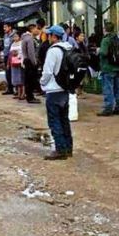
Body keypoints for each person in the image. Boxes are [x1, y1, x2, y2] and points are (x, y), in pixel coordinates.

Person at [40, 25, 73, 160]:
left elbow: (47, 71)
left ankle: (60, 149)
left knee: (54, 121)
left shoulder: (53, 51)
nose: (47, 37)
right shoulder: (68, 47)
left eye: (49, 35)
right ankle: (68, 147)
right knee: (64, 120)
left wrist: (42, 82)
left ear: (54, 36)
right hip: (64, 89)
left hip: (53, 89)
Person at [98, 22, 119, 116]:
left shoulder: (106, 40)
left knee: (108, 88)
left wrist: (98, 51)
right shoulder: (117, 39)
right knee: (118, 88)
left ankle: (108, 108)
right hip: (117, 67)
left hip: (107, 67)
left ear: (105, 29)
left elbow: (103, 53)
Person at [22, 24, 41, 104]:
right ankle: (30, 97)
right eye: (37, 28)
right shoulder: (29, 39)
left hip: (27, 61)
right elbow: (31, 53)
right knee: (30, 80)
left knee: (28, 80)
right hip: (30, 62)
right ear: (32, 29)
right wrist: (35, 63)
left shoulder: (25, 38)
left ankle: (29, 96)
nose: (38, 30)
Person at [2, 23, 17, 96]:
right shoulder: (5, 35)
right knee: (7, 73)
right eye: (4, 27)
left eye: (5, 27)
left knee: (14, 72)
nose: (4, 28)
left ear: (10, 27)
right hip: (6, 55)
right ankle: (10, 88)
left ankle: (16, 89)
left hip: (12, 56)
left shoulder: (14, 35)